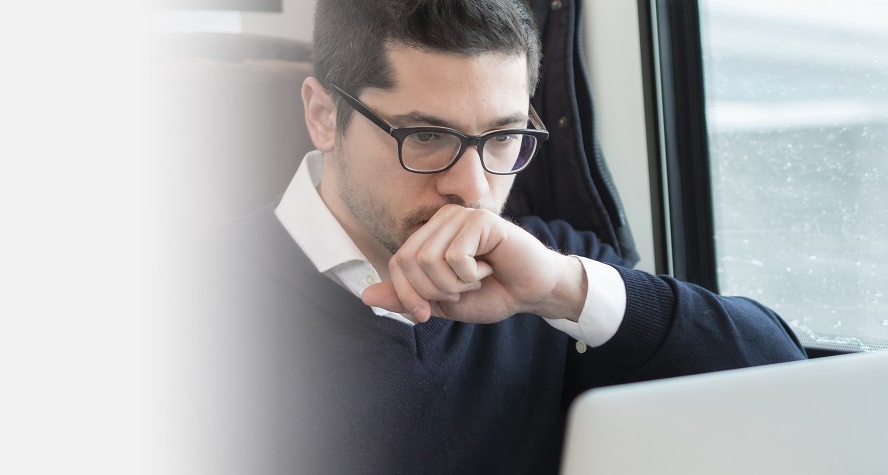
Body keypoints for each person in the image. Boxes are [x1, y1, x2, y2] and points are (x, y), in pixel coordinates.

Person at [186, 0, 807, 473]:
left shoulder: (546, 270)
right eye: (426, 136)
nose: (474, 189)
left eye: (504, 137)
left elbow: (786, 381)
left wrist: (563, 291)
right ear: (324, 116)